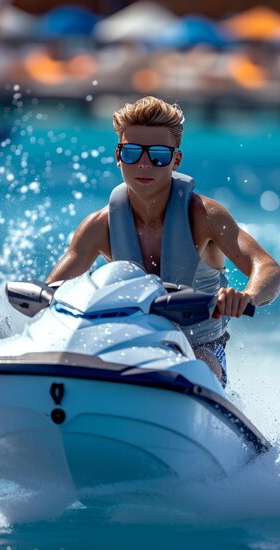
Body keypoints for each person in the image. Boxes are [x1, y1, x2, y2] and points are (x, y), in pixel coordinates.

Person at [46, 96, 280, 387]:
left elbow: (268, 268)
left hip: (201, 351)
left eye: (157, 154)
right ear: (118, 156)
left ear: (176, 160)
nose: (144, 164)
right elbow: (50, 293)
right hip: (126, 348)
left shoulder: (205, 216)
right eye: (132, 153)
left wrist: (246, 297)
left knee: (196, 364)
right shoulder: (99, 227)